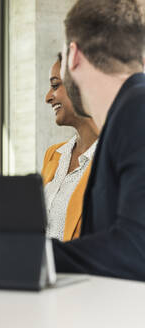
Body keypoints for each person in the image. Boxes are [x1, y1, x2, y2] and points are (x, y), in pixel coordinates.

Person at [52, 0, 145, 281]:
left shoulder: (137, 107)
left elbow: (136, 250)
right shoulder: (128, 108)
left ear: (73, 55)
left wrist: (21, 255)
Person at [41, 53, 99, 241]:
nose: (48, 97)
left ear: (81, 85)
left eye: (55, 85)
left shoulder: (110, 158)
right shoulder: (54, 154)